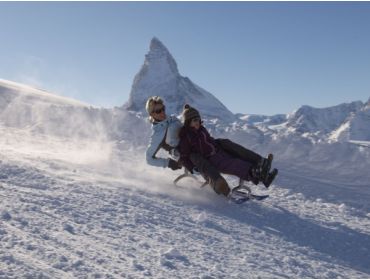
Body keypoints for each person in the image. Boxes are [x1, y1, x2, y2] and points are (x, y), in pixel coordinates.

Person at [178, 104, 276, 197]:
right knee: (234, 164)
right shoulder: (186, 136)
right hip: (210, 159)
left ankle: (262, 166)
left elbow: (208, 140)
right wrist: (192, 168)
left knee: (235, 151)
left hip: (218, 151)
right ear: (188, 122)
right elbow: (184, 156)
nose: (198, 122)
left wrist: (217, 144)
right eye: (195, 120)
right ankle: (255, 172)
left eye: (198, 119)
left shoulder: (202, 129)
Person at [145, 96, 231, 194]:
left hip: (194, 142)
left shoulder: (172, 119)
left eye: (163, 109)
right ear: (151, 114)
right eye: (158, 111)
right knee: (199, 159)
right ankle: (217, 184)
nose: (162, 112)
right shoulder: (157, 135)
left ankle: (246, 169)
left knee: (221, 147)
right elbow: (149, 159)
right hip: (183, 152)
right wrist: (168, 163)